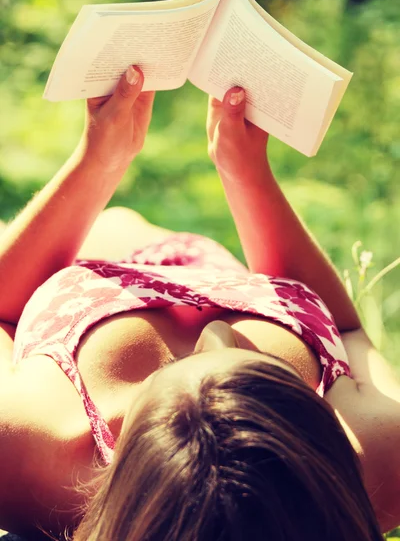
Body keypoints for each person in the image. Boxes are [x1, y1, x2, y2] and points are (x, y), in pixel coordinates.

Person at [0, 65, 398, 541]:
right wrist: (247, 172)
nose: (216, 332)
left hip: (87, 260)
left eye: (166, 372)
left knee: (117, 222)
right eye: (255, 365)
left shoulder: (30, 457)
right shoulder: (374, 463)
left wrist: (98, 162)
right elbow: (347, 332)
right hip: (213, 261)